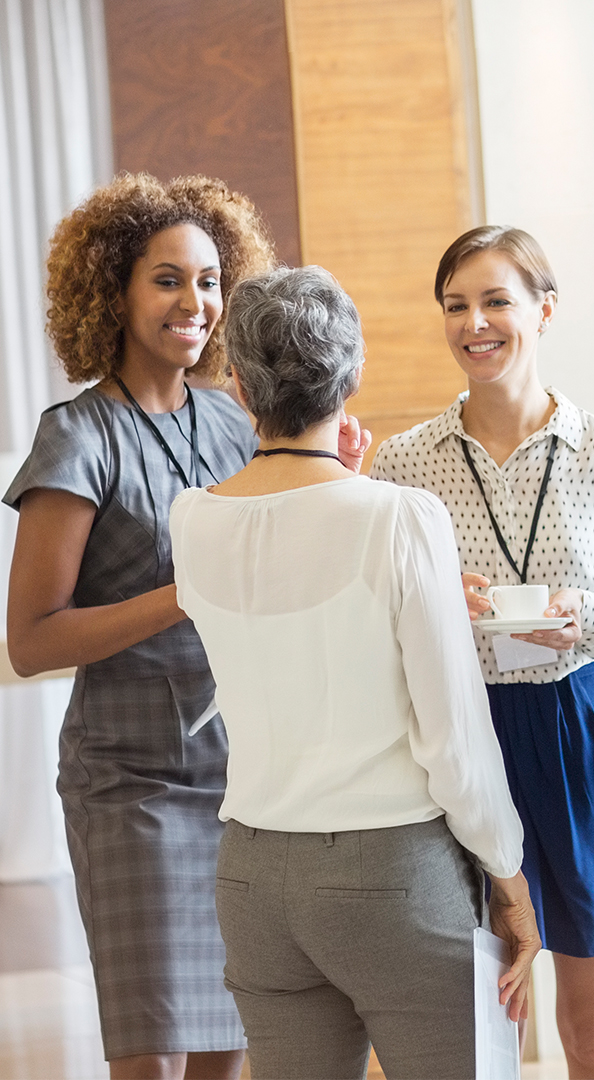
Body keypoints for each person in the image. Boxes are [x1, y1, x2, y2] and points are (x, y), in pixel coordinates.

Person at [169, 265, 539, 1080]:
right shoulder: (400, 519)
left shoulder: (192, 521)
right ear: (354, 371)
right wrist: (509, 881)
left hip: (256, 879)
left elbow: (287, 579)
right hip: (393, 875)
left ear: (236, 384)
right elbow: (455, 740)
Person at [4, 174, 275, 1079]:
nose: (193, 302)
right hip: (131, 785)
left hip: (241, 775)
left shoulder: (237, 425)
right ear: (114, 289)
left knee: (229, 1042)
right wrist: (179, 595)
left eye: (207, 281)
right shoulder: (78, 437)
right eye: (166, 280)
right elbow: (32, 639)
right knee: (150, 1050)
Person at [371, 225, 594, 1080]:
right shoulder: (404, 462)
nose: (474, 323)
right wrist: (436, 608)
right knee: (482, 1024)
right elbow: (378, 616)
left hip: (583, 730)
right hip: (463, 734)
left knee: (591, 1033)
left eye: (496, 301)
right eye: (456, 305)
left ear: (545, 310)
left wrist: (582, 612)